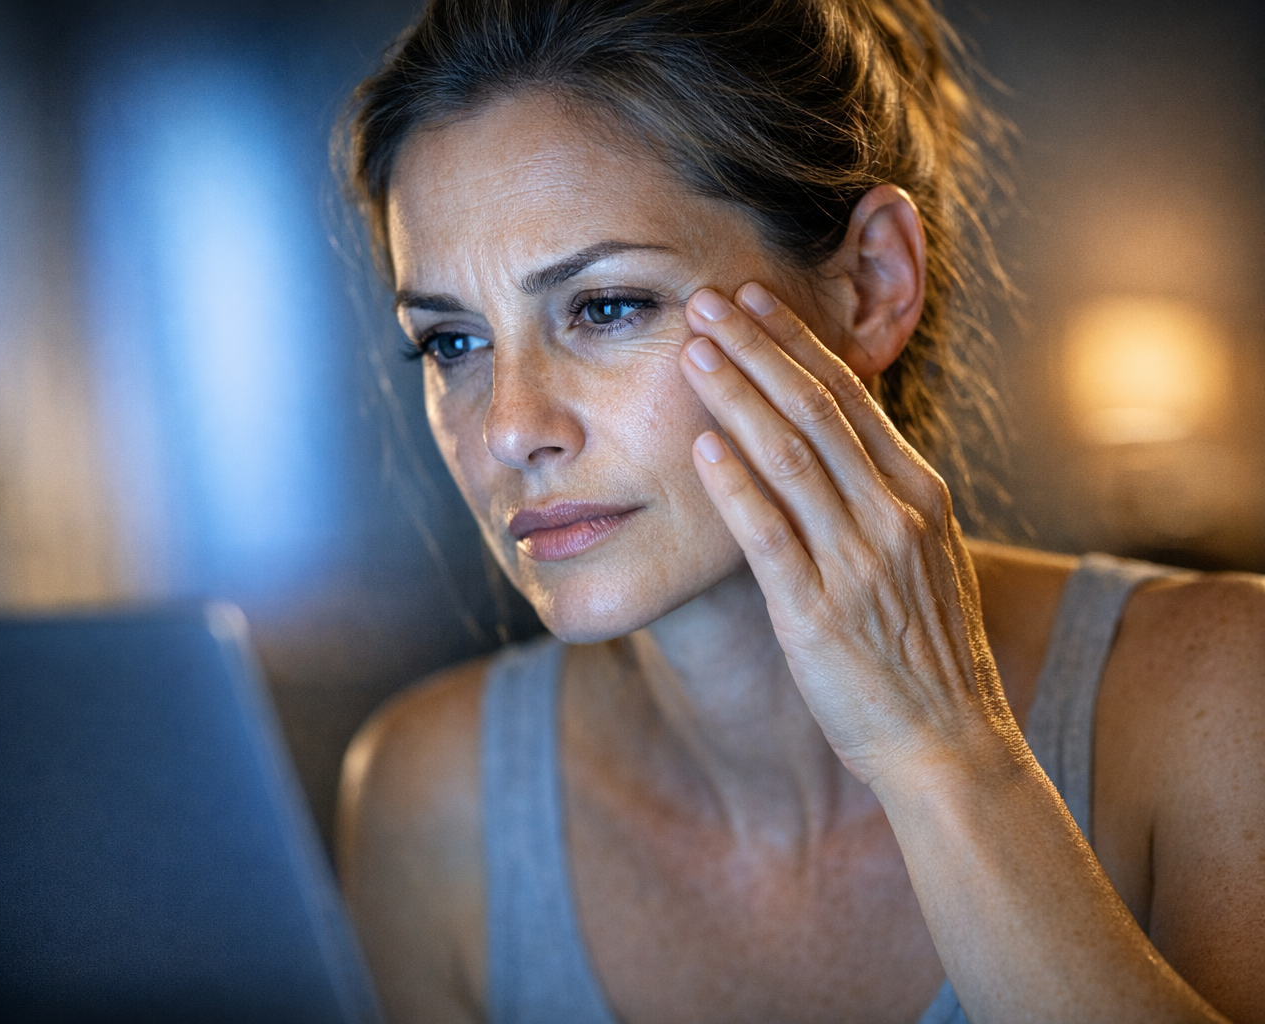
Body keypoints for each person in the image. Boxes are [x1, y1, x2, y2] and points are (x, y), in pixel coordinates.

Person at [333, 2, 1265, 1022]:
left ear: (870, 284)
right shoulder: (427, 799)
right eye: (452, 344)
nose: (511, 428)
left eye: (606, 306)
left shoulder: (1218, 696)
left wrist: (942, 753)